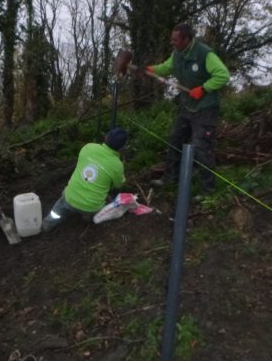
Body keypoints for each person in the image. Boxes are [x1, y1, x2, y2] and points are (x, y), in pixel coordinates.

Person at [147, 22, 230, 197]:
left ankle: (208, 191)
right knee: (175, 139)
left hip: (206, 108)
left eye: (175, 40)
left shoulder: (205, 54)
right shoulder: (177, 54)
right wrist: (149, 69)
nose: (172, 42)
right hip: (187, 107)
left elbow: (223, 75)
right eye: (172, 39)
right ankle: (171, 179)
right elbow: (166, 68)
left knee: (202, 147)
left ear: (187, 39)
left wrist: (204, 88)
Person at [41, 127, 128, 232]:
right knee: (107, 195)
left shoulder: (88, 147)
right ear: (122, 147)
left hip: (70, 199)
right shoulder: (117, 166)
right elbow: (119, 185)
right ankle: (88, 216)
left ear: (106, 137)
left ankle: (48, 224)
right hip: (93, 207)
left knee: (59, 208)